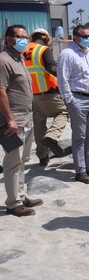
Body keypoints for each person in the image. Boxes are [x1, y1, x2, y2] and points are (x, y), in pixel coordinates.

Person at [0, 25, 43, 216]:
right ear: (9, 39)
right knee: (13, 161)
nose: (24, 40)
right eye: (20, 37)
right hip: (13, 120)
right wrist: (9, 119)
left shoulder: (19, 58)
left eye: (26, 37)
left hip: (26, 118)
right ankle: (13, 203)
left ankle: (21, 194)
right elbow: (1, 91)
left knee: (24, 159)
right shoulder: (3, 60)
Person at [57, 24, 89, 184]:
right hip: (77, 98)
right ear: (76, 37)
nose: (88, 39)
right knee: (79, 135)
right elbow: (62, 78)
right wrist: (69, 99)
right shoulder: (67, 53)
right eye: (85, 36)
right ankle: (80, 171)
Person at [22, 28, 69, 166]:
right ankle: (52, 136)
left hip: (31, 95)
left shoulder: (22, 51)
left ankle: (42, 157)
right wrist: (65, 78)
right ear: (44, 39)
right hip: (48, 92)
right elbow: (51, 68)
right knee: (62, 112)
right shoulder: (43, 50)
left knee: (39, 124)